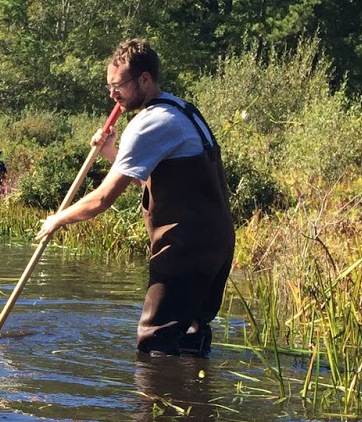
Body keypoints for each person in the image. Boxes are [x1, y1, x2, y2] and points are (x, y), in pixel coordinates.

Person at [35, 38, 234, 357]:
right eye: (109, 86)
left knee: (155, 341)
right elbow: (154, 175)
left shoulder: (149, 122)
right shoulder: (183, 110)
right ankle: (194, 403)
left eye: (119, 86)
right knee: (191, 335)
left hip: (185, 248)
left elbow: (102, 199)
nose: (113, 95)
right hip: (217, 244)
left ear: (144, 79)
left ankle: (157, 406)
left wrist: (58, 218)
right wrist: (112, 152)